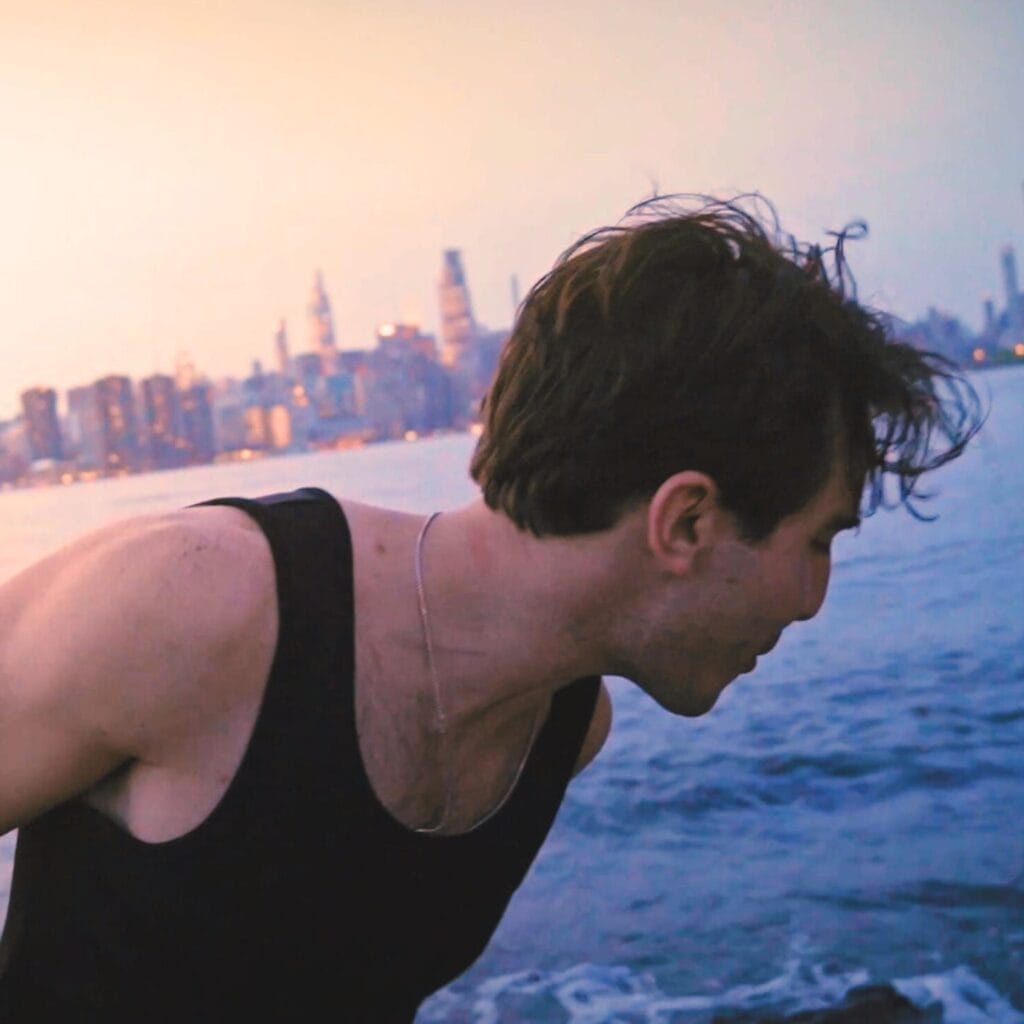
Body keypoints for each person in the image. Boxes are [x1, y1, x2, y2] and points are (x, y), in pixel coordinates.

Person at [0, 196, 981, 1021]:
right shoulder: (200, 603)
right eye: (818, 541)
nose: (813, 600)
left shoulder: (564, 725)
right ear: (683, 520)